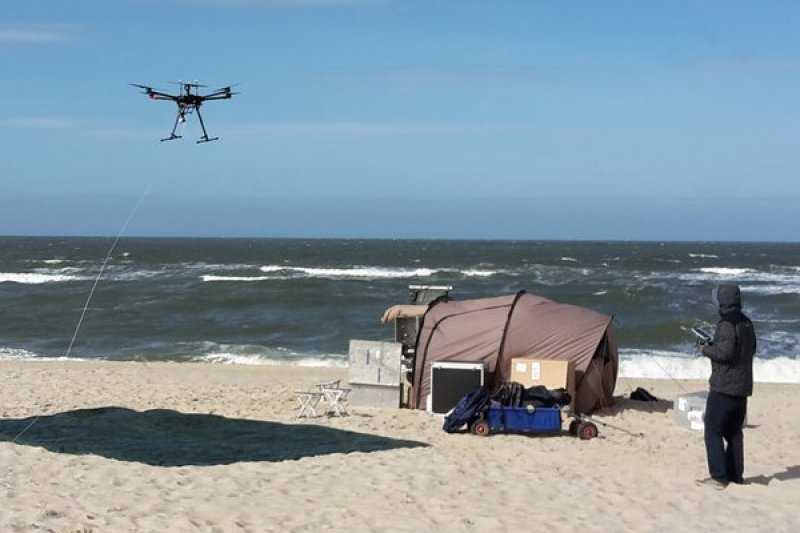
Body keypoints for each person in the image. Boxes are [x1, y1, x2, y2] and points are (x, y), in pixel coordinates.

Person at [696, 284, 756, 489]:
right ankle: (735, 475)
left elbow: (725, 354)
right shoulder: (747, 322)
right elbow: (750, 348)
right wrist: (716, 345)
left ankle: (719, 477)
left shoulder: (726, 324)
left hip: (724, 387)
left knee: (712, 429)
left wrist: (706, 349)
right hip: (742, 387)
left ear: (722, 301)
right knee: (734, 431)